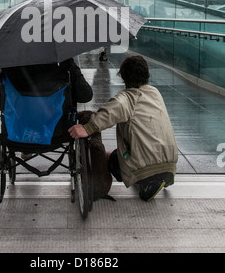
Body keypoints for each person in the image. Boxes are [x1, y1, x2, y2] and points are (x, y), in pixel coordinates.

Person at [68, 55, 178, 202]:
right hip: (170, 165)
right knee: (134, 152)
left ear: (123, 77)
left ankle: (146, 184)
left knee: (107, 158)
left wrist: (87, 128)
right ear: (147, 74)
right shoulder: (155, 93)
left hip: (146, 166)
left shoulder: (126, 98)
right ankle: (156, 178)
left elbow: (110, 112)